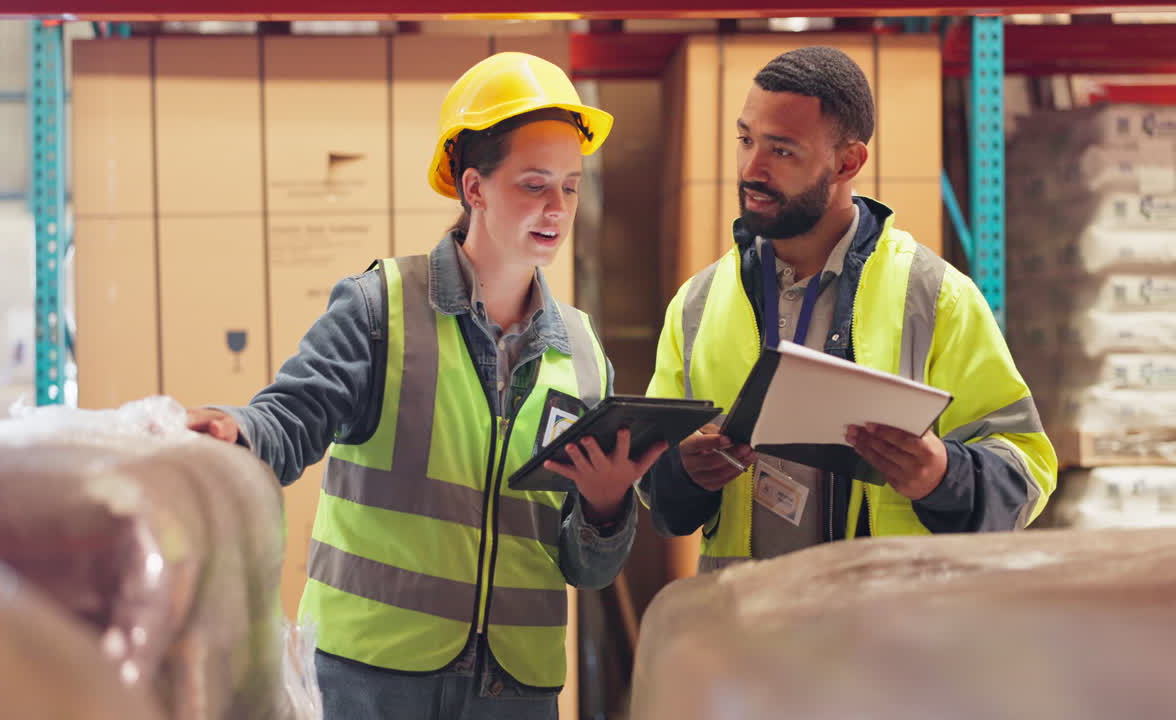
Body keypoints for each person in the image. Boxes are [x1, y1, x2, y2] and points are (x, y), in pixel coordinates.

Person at [186, 52, 666, 719]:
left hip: (514, 688)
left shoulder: (583, 353)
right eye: (533, 184)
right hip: (374, 677)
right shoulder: (378, 308)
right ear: (474, 187)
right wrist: (239, 430)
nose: (557, 208)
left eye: (570, 186)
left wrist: (607, 510)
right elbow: (293, 415)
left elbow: (587, 570)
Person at [640, 46, 1057, 571]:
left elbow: (1028, 471)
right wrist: (681, 473)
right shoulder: (697, 303)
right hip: (746, 641)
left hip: (884, 642)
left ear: (848, 161)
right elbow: (654, 488)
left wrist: (941, 474)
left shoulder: (934, 297)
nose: (752, 168)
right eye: (745, 139)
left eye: (782, 150)